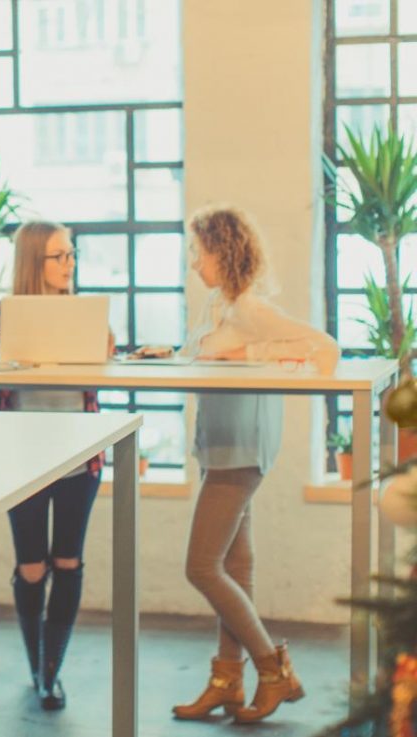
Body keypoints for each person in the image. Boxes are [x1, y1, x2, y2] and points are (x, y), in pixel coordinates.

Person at [170, 205, 339, 724]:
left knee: (201, 567)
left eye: (200, 253)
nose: (194, 264)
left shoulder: (250, 307)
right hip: (219, 446)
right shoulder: (218, 304)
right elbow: (199, 357)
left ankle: (273, 669)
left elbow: (324, 349)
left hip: (242, 450)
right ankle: (227, 681)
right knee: (234, 568)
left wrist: (244, 356)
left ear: (224, 253)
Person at [0, 221, 107, 710]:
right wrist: (6, 351)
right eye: (58, 256)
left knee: (69, 560)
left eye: (71, 254)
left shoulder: (83, 313)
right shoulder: (1, 314)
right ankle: (36, 661)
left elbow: (107, 353)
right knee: (32, 565)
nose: (69, 264)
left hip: (80, 459)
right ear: (33, 261)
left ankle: (50, 671)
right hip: (21, 461)